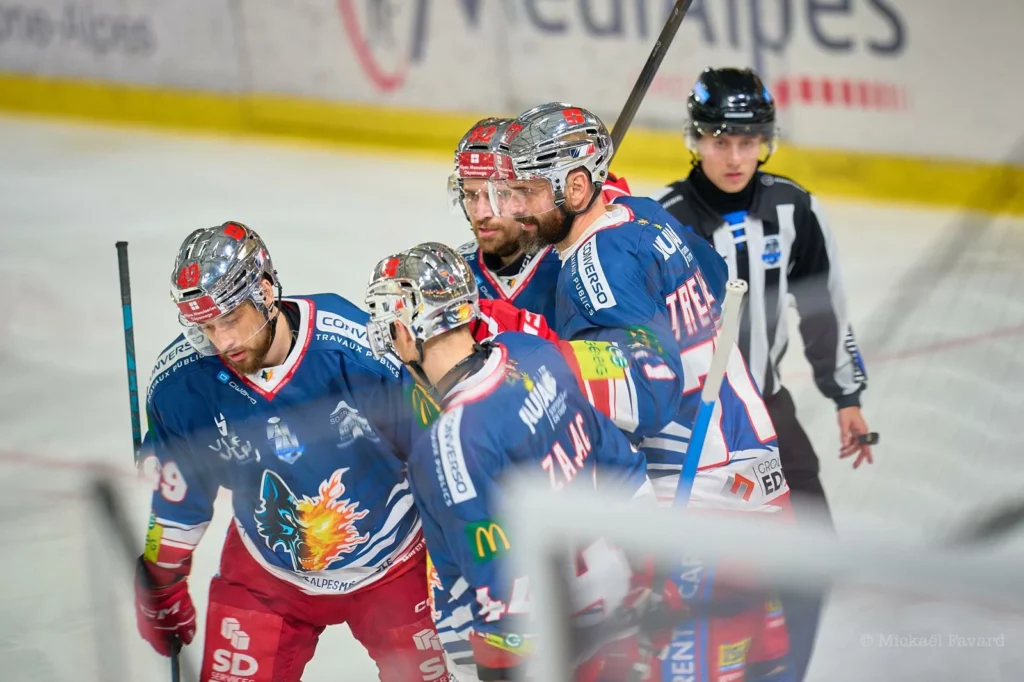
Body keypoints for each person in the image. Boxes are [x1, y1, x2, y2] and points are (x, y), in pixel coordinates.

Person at [485, 102, 794, 681]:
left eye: (525, 192)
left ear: (576, 186)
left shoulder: (593, 266)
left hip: (705, 500)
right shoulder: (640, 214)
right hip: (755, 468)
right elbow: (713, 273)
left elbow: (650, 388)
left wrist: (537, 357)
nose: (514, 209)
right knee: (757, 666)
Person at [135, 222, 449, 682]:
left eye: (230, 320)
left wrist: (462, 565)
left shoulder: (360, 352)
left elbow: (440, 459)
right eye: (205, 327)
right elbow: (181, 495)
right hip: (268, 575)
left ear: (264, 291)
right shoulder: (181, 385)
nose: (222, 342)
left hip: (395, 565)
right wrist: (160, 577)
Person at [654, 66, 875, 680]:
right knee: (702, 575)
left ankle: (782, 673)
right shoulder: (664, 222)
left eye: (747, 141)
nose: (734, 155)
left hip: (768, 411)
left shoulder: (793, 209)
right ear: (695, 141)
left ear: (766, 141)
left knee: (810, 557)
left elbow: (823, 304)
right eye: (720, 140)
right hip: (694, 426)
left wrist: (846, 396)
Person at [364, 241, 657, 682]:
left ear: (411, 329)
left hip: (551, 643)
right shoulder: (530, 350)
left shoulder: (450, 443)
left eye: (391, 320)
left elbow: (504, 597)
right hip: (621, 602)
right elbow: (622, 464)